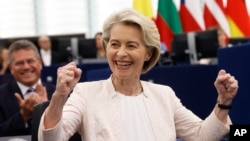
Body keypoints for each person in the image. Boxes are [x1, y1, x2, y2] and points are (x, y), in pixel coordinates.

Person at [38, 9, 238, 141]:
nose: (121, 53)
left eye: (131, 45)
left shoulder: (164, 95)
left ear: (148, 53)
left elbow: (202, 135)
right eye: (114, 44)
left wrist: (224, 101)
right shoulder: (85, 93)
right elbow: (51, 138)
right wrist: (59, 97)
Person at [0, 40, 55, 136]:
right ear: (11, 68)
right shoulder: (1, 95)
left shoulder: (57, 94)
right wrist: (22, 116)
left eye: (30, 61)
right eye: (19, 63)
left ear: (40, 63)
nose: (26, 67)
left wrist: (47, 112)